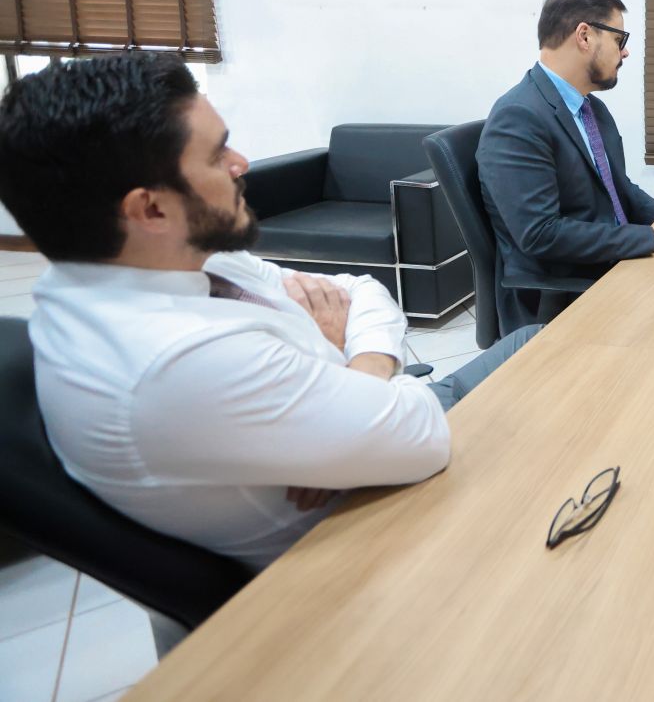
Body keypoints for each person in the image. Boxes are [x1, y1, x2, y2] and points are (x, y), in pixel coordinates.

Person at [0, 54, 539, 569]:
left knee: (537, 341)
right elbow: (420, 434)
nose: (242, 165)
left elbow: (363, 289)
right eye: (217, 156)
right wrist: (353, 374)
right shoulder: (175, 361)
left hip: (374, 427)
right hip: (373, 522)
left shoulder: (166, 262)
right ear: (151, 208)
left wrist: (361, 370)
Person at [479, 0, 654, 327]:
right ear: (584, 36)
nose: (625, 53)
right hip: (564, 293)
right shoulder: (518, 117)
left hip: (611, 266)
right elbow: (541, 233)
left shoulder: (591, 109)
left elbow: (620, 190)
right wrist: (652, 237)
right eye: (619, 40)